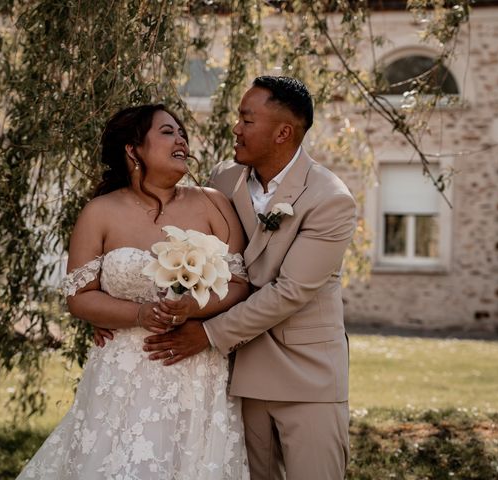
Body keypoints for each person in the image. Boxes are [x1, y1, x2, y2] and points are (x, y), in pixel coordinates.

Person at [16, 104, 251, 479]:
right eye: (167, 132)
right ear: (133, 150)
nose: (182, 139)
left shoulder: (212, 203)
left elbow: (240, 284)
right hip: (122, 372)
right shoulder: (99, 213)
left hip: (196, 369)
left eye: (182, 132)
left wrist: (193, 308)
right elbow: (79, 296)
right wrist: (138, 315)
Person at [143, 76, 357, 479]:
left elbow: (289, 292)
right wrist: (123, 307)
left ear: (283, 132)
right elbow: (184, 248)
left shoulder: (330, 199)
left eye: (246, 119)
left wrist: (206, 334)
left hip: (306, 376)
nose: (235, 128)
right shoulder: (222, 180)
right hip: (238, 373)